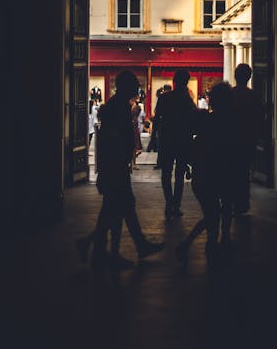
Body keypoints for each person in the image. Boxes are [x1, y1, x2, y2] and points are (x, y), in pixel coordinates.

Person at [76, 70, 165, 270]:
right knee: (117, 210)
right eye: (133, 85)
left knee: (115, 210)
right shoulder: (120, 109)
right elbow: (116, 139)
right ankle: (107, 250)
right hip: (115, 168)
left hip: (114, 167)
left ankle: (100, 248)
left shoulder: (116, 107)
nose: (136, 89)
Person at [176, 82, 235, 267]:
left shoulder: (206, 121)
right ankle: (212, 244)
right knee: (220, 211)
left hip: (203, 174)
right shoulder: (228, 123)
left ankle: (203, 245)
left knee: (212, 214)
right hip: (220, 172)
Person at [155, 69, 196, 219]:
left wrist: (155, 139)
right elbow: (192, 121)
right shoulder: (187, 100)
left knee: (166, 173)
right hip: (182, 141)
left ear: (174, 80)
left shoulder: (164, 98)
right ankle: (176, 205)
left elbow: (157, 118)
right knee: (179, 175)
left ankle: (169, 202)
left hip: (167, 140)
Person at [231, 63, 263, 216]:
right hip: (248, 138)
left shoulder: (230, 95)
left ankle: (232, 201)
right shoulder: (254, 96)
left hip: (231, 139)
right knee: (244, 172)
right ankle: (242, 203)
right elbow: (260, 117)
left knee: (231, 172)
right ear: (249, 77)